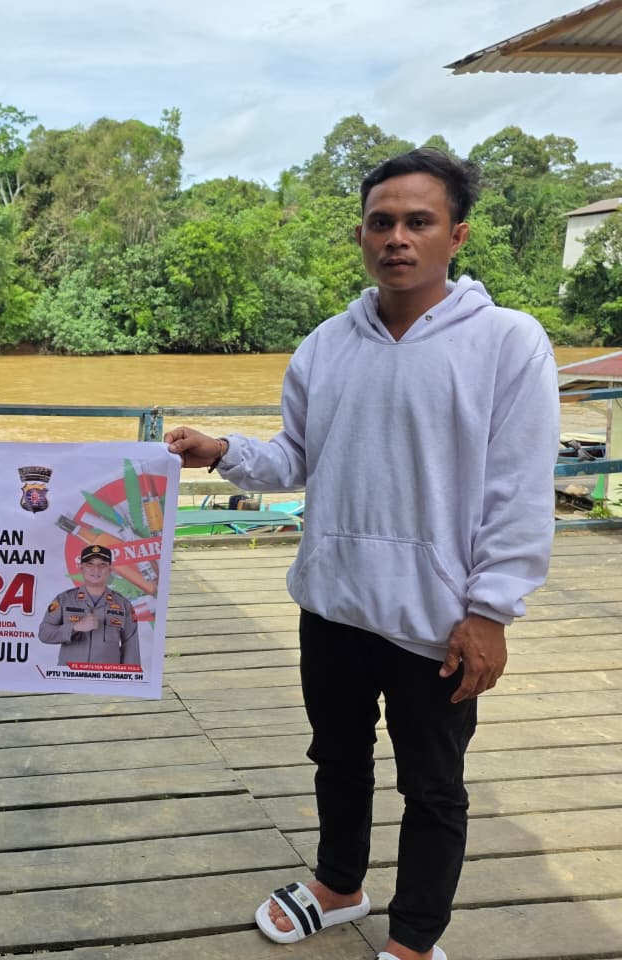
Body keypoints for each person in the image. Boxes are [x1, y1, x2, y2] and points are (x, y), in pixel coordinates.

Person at [165, 148, 559, 960]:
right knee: (337, 758)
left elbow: (519, 488)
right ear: (360, 235)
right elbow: (296, 456)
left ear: (457, 235)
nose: (397, 238)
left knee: (433, 786)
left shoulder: (508, 343)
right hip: (333, 601)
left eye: (419, 221)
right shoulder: (325, 345)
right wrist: (223, 450)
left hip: (437, 620)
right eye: (381, 222)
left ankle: (415, 939)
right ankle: (340, 886)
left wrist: (491, 611)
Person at [38, 543, 141, 665]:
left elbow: (131, 647)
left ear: (110, 569)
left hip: (106, 675)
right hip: (70, 674)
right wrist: (75, 627)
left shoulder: (124, 605)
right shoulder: (63, 600)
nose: (96, 569)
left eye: (102, 564)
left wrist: (128, 676)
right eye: (89, 564)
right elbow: (44, 633)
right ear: (81, 568)